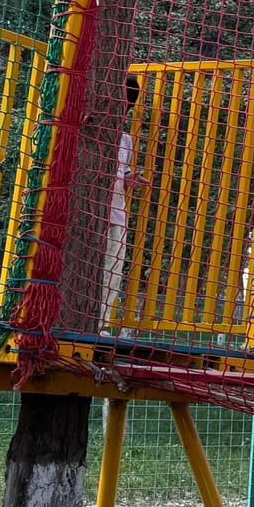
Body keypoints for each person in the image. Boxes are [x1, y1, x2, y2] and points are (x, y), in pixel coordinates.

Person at [101, 73, 149, 331]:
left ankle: (99, 326)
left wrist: (132, 179)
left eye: (127, 107)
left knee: (112, 274)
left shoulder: (125, 139)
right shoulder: (92, 131)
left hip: (117, 216)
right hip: (95, 217)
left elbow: (123, 172)